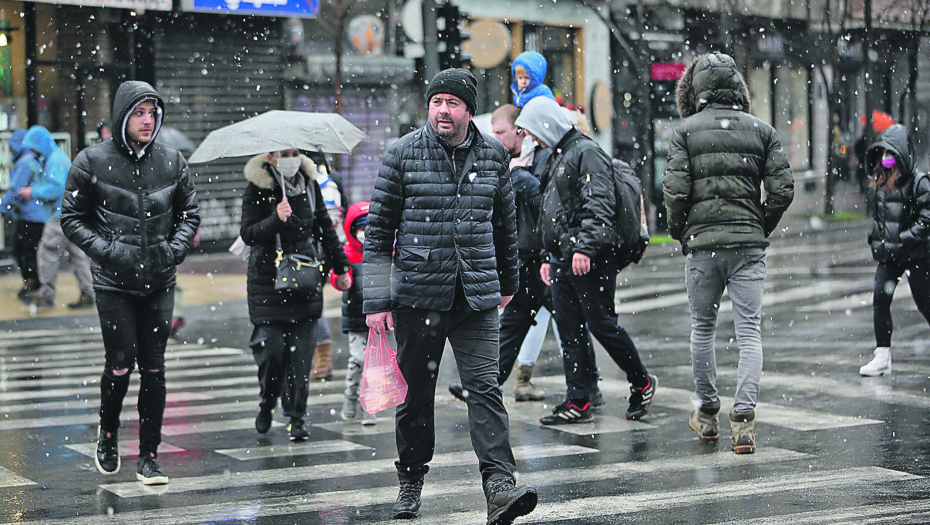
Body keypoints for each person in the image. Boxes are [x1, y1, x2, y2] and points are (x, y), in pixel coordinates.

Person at [364, 68, 537, 524]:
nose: (443, 110)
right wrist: (377, 302)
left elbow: (505, 227)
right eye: (436, 101)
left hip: (476, 296)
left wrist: (508, 283)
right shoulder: (403, 153)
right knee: (416, 394)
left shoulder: (494, 155)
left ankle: (499, 484)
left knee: (484, 389)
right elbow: (378, 234)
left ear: (468, 110)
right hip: (418, 296)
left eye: (452, 103)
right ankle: (410, 479)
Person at [61, 80, 201, 484]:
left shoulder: (172, 161)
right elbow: (72, 219)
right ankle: (107, 435)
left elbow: (189, 215)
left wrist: (172, 250)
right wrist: (110, 251)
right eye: (139, 112)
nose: (147, 120)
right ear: (123, 116)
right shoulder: (91, 161)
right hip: (113, 283)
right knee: (120, 364)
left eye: (152, 113)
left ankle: (149, 456)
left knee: (154, 369)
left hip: (159, 281)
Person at [663, 53, 795, 454]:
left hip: (703, 248)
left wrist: (681, 231)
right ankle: (744, 421)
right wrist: (759, 225)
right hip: (748, 246)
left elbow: (675, 191)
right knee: (749, 330)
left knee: (703, 328)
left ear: (696, 89)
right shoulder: (762, 131)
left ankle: (707, 415)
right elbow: (783, 190)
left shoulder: (685, 132)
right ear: (738, 86)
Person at [447, 104, 602, 404]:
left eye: (501, 131)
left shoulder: (541, 157)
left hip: (545, 256)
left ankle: (588, 388)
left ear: (519, 130)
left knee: (572, 327)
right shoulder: (508, 160)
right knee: (514, 325)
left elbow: (551, 204)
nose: (497, 137)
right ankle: (484, 387)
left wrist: (520, 178)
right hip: (526, 258)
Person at [515, 96, 657, 425]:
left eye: (532, 131)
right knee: (570, 330)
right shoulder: (559, 154)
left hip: (590, 258)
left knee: (601, 324)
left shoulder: (585, 152)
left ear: (545, 125)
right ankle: (578, 400)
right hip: (565, 257)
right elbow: (555, 211)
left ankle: (641, 381)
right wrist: (552, 255)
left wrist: (584, 248)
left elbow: (599, 205)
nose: (532, 139)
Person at [240, 148, 350, 442]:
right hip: (267, 284)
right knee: (272, 353)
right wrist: (275, 218)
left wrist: (341, 267)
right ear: (270, 158)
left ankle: (297, 416)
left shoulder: (309, 183)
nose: (289, 158)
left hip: (304, 280)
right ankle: (267, 401)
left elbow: (325, 228)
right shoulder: (257, 187)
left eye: (292, 152)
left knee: (301, 357)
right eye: (281, 154)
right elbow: (248, 233)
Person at [859, 124, 930, 376]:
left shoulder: (919, 183)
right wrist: (877, 242)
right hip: (889, 256)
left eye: (891, 154)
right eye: (883, 154)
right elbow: (878, 221)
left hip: (916, 255)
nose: (886, 159)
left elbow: (926, 219)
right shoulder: (880, 184)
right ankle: (882, 355)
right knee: (880, 300)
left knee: (925, 302)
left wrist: (906, 239)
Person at [22, 126, 96, 310]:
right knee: (77, 254)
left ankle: (46, 295)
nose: (32, 151)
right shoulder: (58, 158)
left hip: (59, 215)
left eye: (33, 147)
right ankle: (88, 292)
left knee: (47, 252)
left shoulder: (54, 161)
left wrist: (34, 191)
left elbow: (56, 188)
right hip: (72, 212)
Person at [307, 151, 349, 381]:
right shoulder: (335, 177)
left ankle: (322, 360)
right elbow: (344, 208)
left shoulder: (305, 180)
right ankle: (320, 359)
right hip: (333, 247)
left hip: (315, 249)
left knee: (312, 304)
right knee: (315, 302)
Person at [335, 200, 376, 425]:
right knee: (359, 359)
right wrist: (341, 279)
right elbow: (336, 276)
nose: (365, 234)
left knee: (375, 363)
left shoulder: (383, 251)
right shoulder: (346, 253)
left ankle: (369, 406)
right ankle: (350, 397)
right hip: (355, 315)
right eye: (361, 229)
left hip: (379, 318)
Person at [1, 129, 44, 301]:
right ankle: (35, 282)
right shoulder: (35, 160)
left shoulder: (24, 162)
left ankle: (33, 283)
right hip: (38, 215)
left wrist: (3, 209)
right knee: (31, 250)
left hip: (29, 216)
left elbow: (15, 190)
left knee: (23, 250)